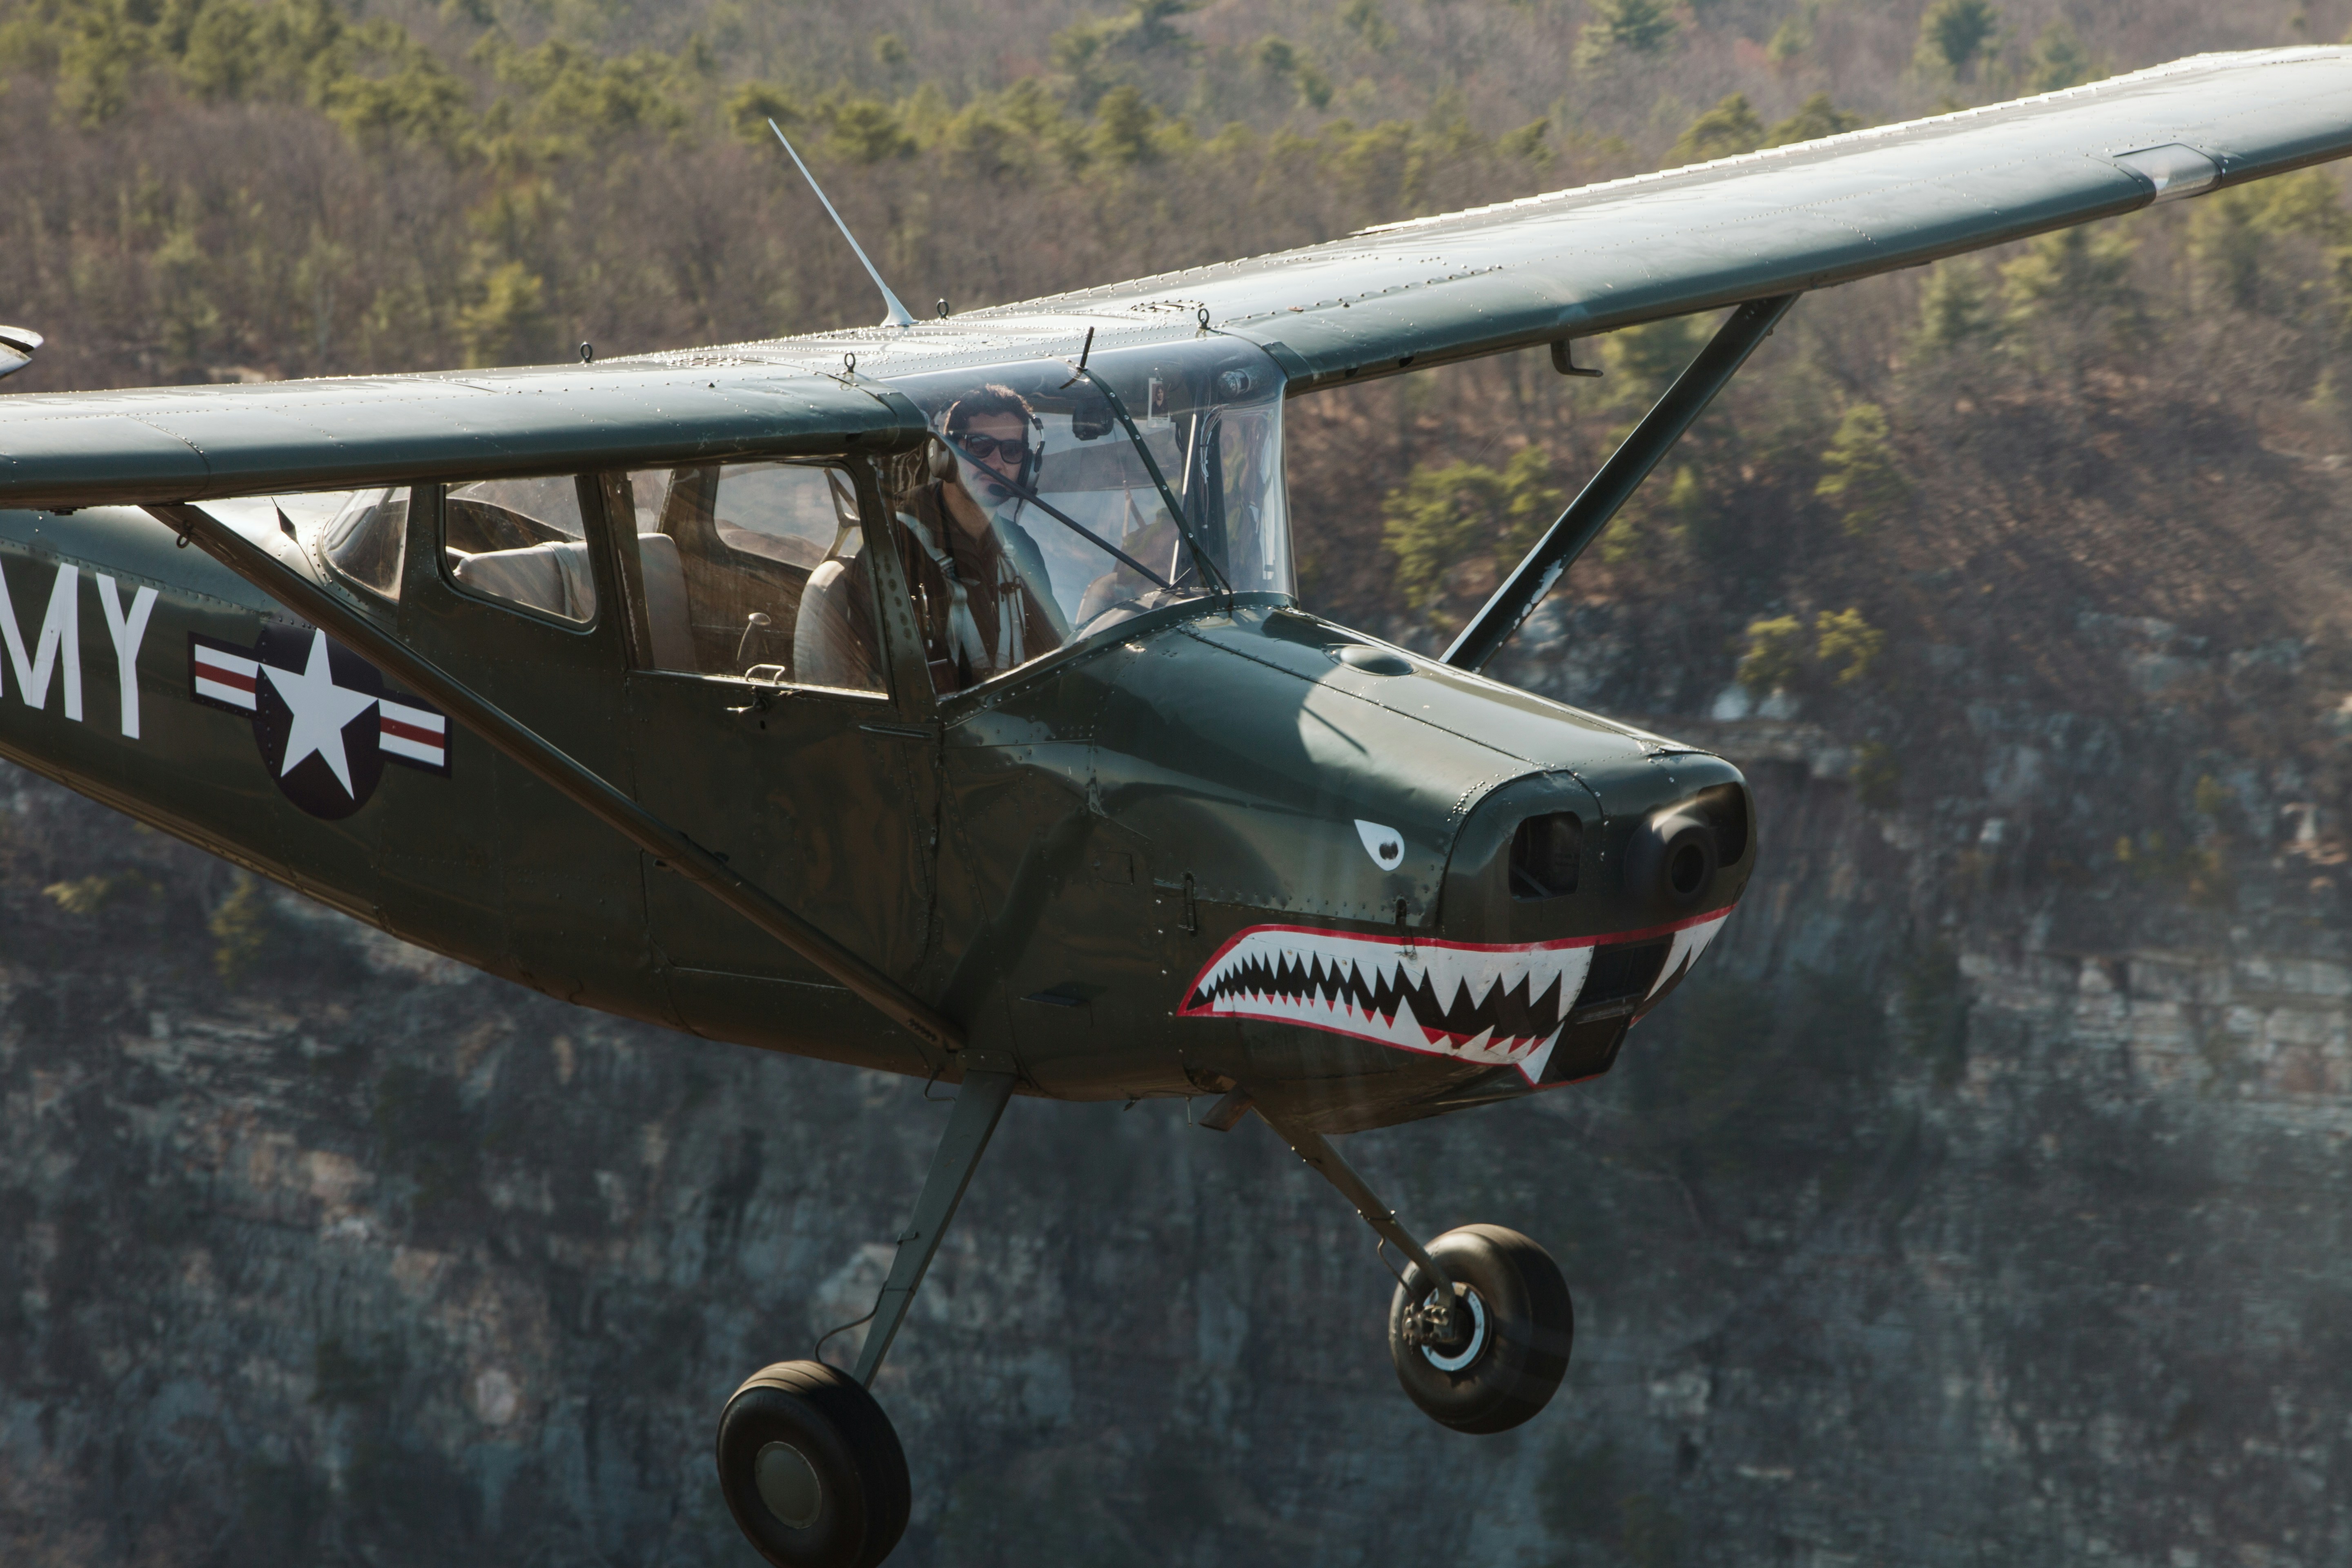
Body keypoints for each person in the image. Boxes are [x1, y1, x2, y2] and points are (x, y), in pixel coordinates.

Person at [793, 384, 1069, 694]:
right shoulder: (894, 549)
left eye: (1012, 451)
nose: (996, 463)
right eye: (980, 446)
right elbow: (875, 684)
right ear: (945, 455)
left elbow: (1057, 654)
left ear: (1027, 465)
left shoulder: (1020, 547)